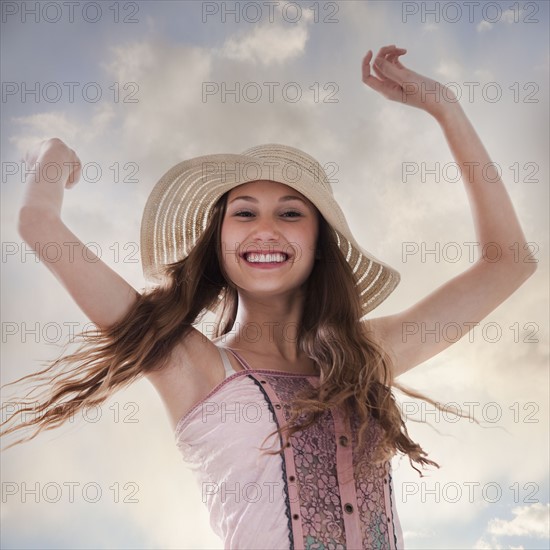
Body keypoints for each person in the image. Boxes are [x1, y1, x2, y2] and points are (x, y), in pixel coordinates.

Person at [2, 45, 536, 549]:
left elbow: (508, 262)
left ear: (317, 243)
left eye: (289, 213)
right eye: (244, 212)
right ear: (219, 244)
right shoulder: (191, 363)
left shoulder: (366, 354)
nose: (265, 230)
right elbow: (37, 223)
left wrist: (446, 109)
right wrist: (50, 158)